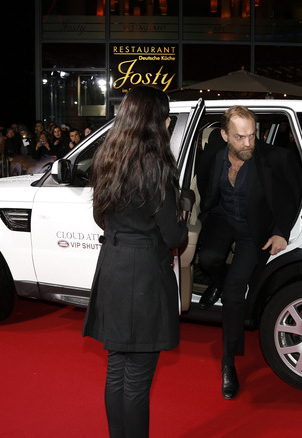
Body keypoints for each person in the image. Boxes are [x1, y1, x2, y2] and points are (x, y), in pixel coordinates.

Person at [82, 85, 188, 438]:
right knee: (137, 381)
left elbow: (101, 217)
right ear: (158, 122)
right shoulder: (156, 167)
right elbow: (174, 237)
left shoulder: (106, 158)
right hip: (144, 274)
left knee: (116, 370)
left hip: (112, 264)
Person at [196, 106, 302, 400]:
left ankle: (228, 363)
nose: (248, 144)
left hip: (253, 231)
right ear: (224, 136)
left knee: (234, 294)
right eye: (240, 137)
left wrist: (281, 231)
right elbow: (206, 188)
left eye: (252, 136)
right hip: (223, 218)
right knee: (208, 259)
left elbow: (293, 196)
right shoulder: (214, 156)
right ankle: (217, 280)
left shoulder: (276, 158)